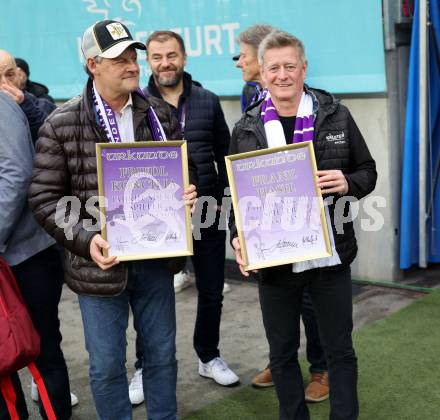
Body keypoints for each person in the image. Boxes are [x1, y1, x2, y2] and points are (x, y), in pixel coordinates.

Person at [28, 20, 197, 420]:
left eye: (132, 56)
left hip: (156, 261)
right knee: (105, 368)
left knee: (162, 358)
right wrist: (87, 240)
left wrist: (185, 196)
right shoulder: (61, 122)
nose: (132, 65)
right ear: (92, 64)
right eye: (118, 58)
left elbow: (180, 175)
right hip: (98, 267)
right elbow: (43, 198)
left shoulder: (159, 114)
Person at [229, 30, 377, 419]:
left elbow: (367, 171)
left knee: (339, 350)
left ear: (303, 68)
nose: (282, 75)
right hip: (275, 263)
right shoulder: (246, 128)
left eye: (289, 66)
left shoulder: (336, 114)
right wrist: (238, 239)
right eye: (273, 68)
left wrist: (348, 183)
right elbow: (235, 198)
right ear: (261, 73)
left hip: (329, 257)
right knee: (281, 354)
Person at [126, 30, 237, 405]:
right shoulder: (136, 104)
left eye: (171, 55)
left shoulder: (206, 100)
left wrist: (224, 200)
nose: (165, 63)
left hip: (206, 210)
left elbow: (224, 153)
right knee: (150, 295)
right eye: (156, 57)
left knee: (210, 290)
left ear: (185, 57)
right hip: (158, 218)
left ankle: (208, 355)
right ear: (148, 61)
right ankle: (144, 366)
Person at [234, 24, 330, 402]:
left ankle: (321, 368)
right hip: (267, 220)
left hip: (308, 219)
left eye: (242, 54)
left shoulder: (312, 104)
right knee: (276, 297)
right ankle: (283, 360)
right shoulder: (249, 97)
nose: (239, 61)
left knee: (310, 299)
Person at [0, 48, 78, 409]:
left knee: (42, 352)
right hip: (14, 254)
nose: (7, 82)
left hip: (25, 256)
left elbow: (16, 175)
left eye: (9, 72)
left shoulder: (6, 107)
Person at [0, 50, 56, 143]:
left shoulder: (42, 105)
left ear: (19, 76)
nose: (4, 83)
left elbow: (56, 137)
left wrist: (25, 105)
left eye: (10, 75)